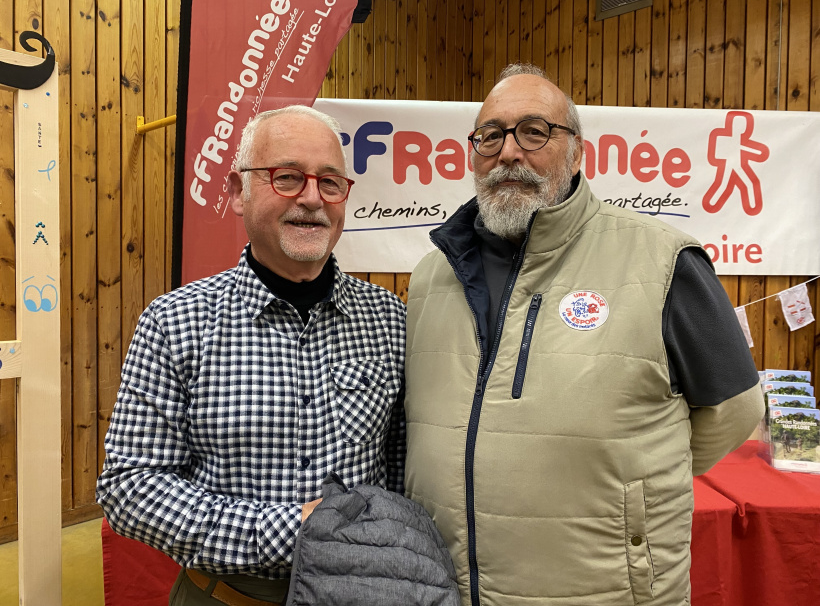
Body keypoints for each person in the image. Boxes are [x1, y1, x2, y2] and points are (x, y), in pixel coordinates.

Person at [403, 64, 764, 606]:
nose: (508, 153)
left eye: (533, 131)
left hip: (603, 590)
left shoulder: (663, 261)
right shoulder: (432, 276)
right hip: (451, 591)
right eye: (491, 135)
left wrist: (634, 486)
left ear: (577, 152)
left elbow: (736, 408)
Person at [97, 105, 407, 606]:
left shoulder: (390, 320)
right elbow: (129, 488)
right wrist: (292, 530)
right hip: (221, 596)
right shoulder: (174, 323)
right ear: (238, 191)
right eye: (287, 177)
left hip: (361, 592)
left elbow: (400, 468)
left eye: (330, 182)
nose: (312, 199)